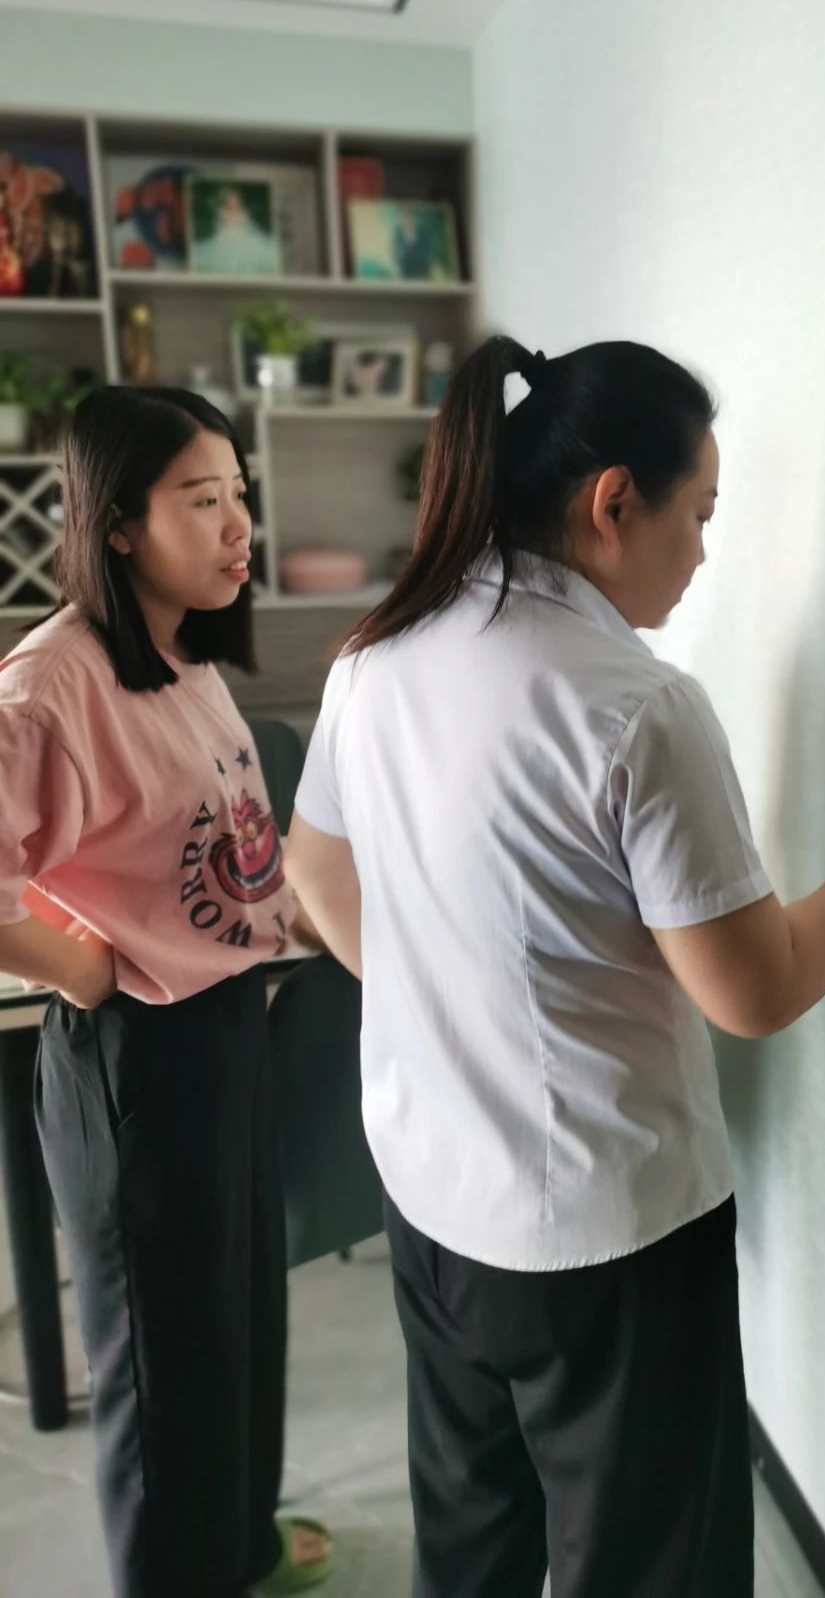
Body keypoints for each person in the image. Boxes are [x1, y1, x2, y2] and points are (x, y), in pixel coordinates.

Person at [284, 336, 825, 1598]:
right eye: (697, 512)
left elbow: (314, 873)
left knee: (471, 1543)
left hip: (431, 1201)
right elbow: (752, 989)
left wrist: (452, 1011)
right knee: (651, 1566)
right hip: (604, 1239)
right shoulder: (637, 705)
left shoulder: (376, 654)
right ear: (611, 503)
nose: (700, 550)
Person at [0, 386, 332, 1598]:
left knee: (236, 1324)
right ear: (119, 523)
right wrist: (76, 962)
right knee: (162, 1370)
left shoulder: (178, 647)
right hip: (136, 1054)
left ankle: (238, 1549)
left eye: (239, 492)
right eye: (201, 500)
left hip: (227, 1027)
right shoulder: (52, 683)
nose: (238, 524)